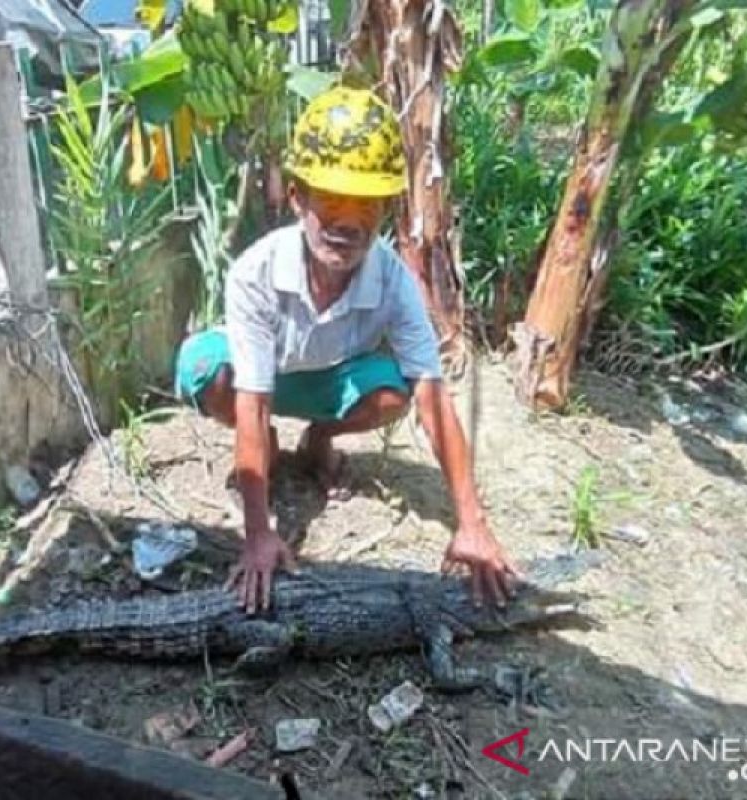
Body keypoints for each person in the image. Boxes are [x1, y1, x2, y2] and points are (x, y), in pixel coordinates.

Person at [174, 86, 519, 614]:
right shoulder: (256, 272)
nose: (348, 221)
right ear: (297, 197)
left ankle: (319, 439)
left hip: (329, 381)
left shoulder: (394, 281)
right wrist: (258, 534)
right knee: (204, 369)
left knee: (396, 390)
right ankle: (266, 447)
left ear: (386, 208)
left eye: (366, 204)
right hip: (259, 378)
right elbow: (253, 396)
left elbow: (433, 398)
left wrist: (472, 524)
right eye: (332, 199)